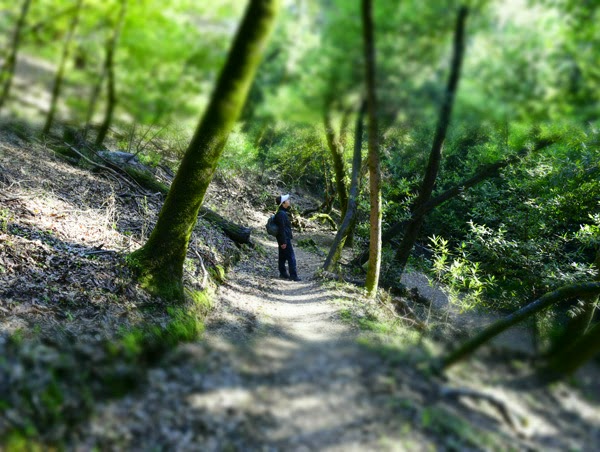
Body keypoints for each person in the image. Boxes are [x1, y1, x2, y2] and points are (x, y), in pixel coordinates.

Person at [275, 194, 301, 281]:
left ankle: (283, 273)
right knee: (291, 257)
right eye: (287, 200)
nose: (289, 201)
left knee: (282, 256)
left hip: (283, 239)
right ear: (283, 203)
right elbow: (281, 229)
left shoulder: (281, 213)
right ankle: (293, 275)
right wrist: (283, 242)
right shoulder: (281, 214)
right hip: (284, 239)